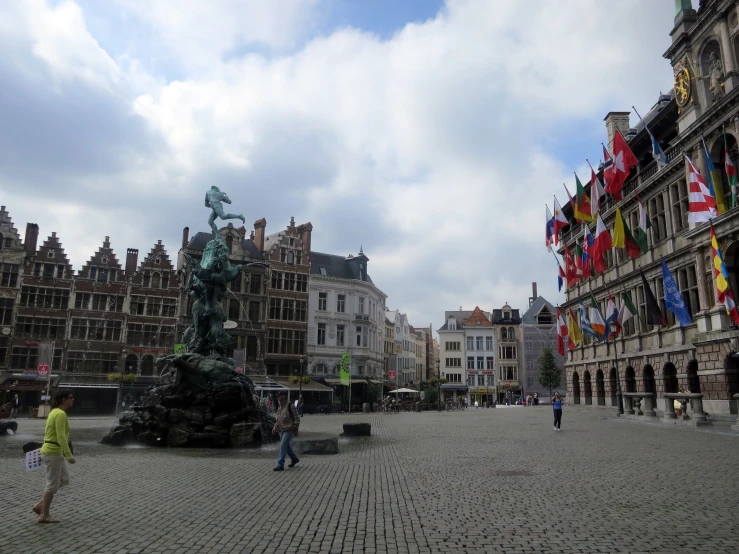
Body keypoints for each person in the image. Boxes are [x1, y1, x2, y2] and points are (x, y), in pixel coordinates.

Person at [33, 390, 75, 523]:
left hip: (54, 451)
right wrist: (68, 455)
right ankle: (44, 515)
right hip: (52, 452)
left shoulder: (55, 411)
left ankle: (40, 505)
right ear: (63, 399)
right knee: (51, 485)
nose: (73, 400)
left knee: (64, 479)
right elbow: (61, 436)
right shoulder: (60, 413)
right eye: (70, 398)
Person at [272, 392, 300, 472]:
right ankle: (294, 459)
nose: (278, 398)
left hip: (288, 430)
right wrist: (275, 427)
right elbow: (278, 419)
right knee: (286, 446)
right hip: (281, 430)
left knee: (283, 445)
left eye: (279, 396)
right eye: (277, 397)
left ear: (284, 397)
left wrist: (295, 428)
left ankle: (280, 465)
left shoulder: (290, 406)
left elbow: (297, 418)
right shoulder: (279, 407)